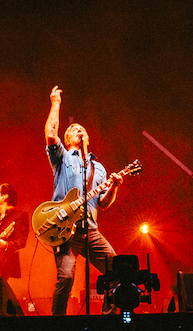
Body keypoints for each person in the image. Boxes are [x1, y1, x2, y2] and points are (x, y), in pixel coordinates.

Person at [45, 85, 124, 315]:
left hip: (91, 229)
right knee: (66, 278)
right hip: (65, 230)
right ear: (68, 137)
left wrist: (114, 187)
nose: (79, 130)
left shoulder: (98, 168)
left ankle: (109, 317)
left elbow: (103, 203)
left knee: (118, 270)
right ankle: (57, 322)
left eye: (83, 129)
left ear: (87, 138)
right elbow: (50, 134)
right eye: (74, 129)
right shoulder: (62, 157)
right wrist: (56, 103)